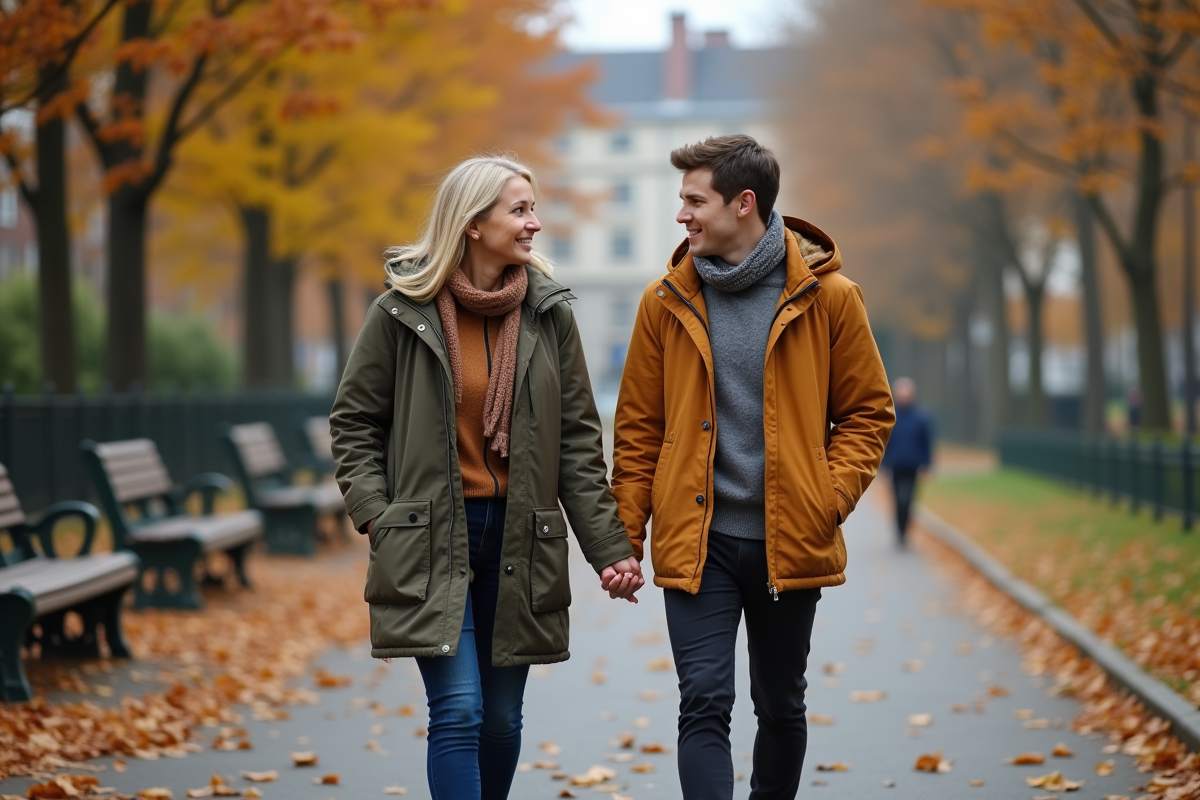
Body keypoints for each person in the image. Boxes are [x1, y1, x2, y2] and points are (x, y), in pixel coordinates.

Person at [330, 155, 644, 800]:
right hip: (428, 537)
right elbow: (354, 422)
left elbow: (579, 442)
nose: (535, 223)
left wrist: (609, 551)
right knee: (461, 711)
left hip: (519, 540)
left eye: (533, 208)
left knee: (501, 720)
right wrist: (375, 513)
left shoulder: (548, 314)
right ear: (473, 224)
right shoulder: (401, 311)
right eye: (520, 209)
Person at [610, 135, 894, 800]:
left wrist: (826, 497)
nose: (681, 215)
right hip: (697, 541)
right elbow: (638, 430)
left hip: (789, 537)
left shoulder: (832, 298)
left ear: (744, 203)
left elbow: (867, 413)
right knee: (703, 701)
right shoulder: (664, 302)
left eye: (693, 200)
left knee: (780, 704)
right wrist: (624, 535)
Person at [881, 377, 933, 546]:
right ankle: (899, 532)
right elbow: (885, 443)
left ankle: (905, 531)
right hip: (895, 467)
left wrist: (926, 465)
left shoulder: (921, 417)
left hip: (913, 467)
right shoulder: (890, 416)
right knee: (898, 500)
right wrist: (884, 465)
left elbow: (926, 443)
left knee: (908, 500)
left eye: (907, 394)